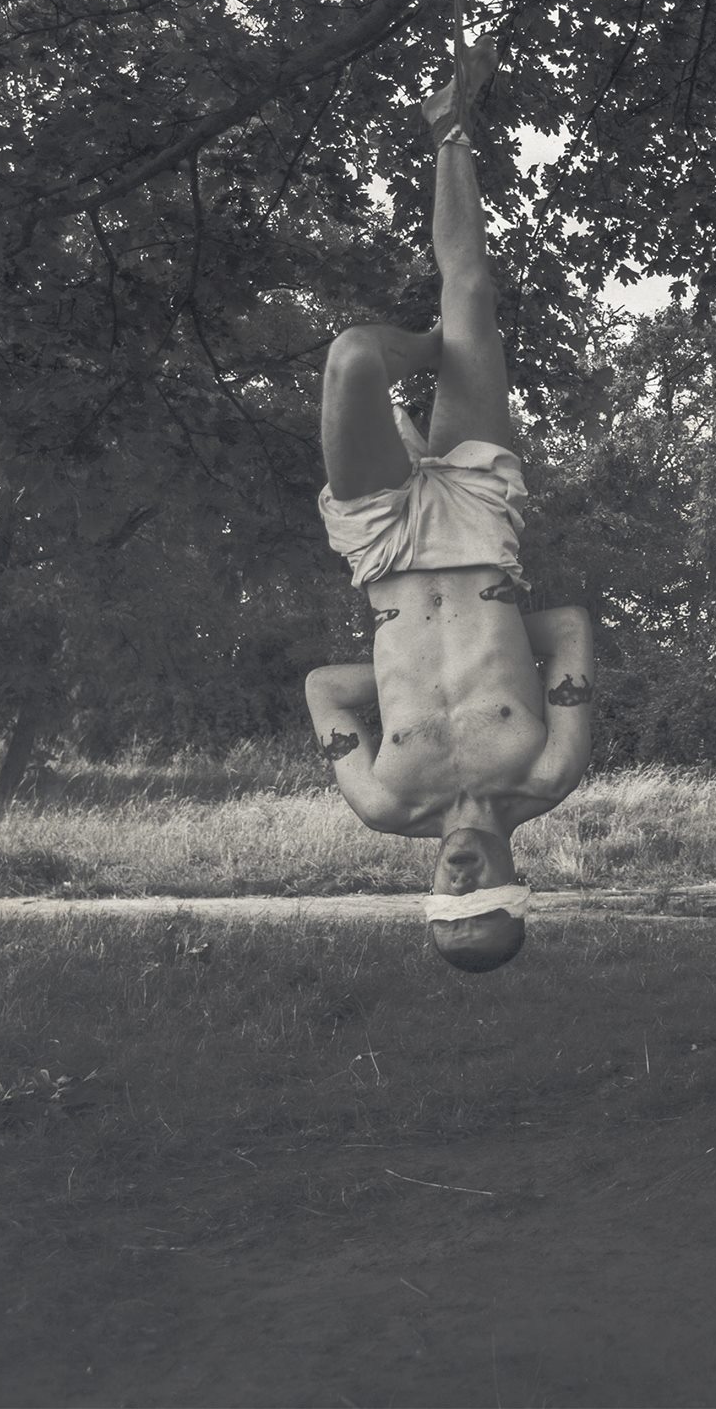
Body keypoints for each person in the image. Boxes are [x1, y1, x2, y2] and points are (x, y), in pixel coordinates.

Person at [304, 64, 595, 972]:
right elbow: (571, 629)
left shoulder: (383, 802)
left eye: (445, 904)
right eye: (482, 900)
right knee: (471, 295)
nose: (460, 882)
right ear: (517, 886)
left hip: (383, 547)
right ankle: (449, 129)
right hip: (478, 531)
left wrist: (403, 642)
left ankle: (430, 354)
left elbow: (324, 689)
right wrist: (489, 617)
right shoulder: (547, 772)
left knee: (354, 356)